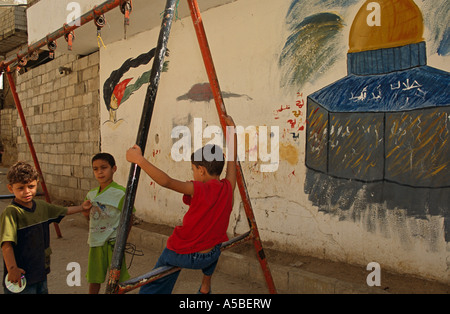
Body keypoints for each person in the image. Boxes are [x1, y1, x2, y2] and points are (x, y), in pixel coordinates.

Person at [126, 115, 238, 294]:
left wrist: (139, 160)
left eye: (193, 169)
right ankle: (205, 286)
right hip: (211, 255)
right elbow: (233, 161)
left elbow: (167, 182)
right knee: (215, 239)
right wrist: (232, 132)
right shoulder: (228, 186)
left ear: (201, 170)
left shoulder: (198, 189)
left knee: (160, 273)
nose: (193, 174)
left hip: (185, 255)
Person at [0, 161, 92, 294]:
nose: (27, 192)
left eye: (31, 186)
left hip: (40, 271)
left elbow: (62, 210)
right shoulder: (11, 213)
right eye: (20, 188)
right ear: (10, 188)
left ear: (37, 183)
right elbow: (6, 244)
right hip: (21, 276)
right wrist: (12, 269)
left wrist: (81, 208)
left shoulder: (42, 207)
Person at [84, 153, 134, 294]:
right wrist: (85, 214)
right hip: (95, 243)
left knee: (117, 279)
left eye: (104, 168)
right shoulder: (91, 195)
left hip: (113, 244)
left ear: (114, 169)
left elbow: (129, 218)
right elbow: (90, 218)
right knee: (94, 279)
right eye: (95, 169)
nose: (100, 172)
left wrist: (123, 240)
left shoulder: (121, 193)